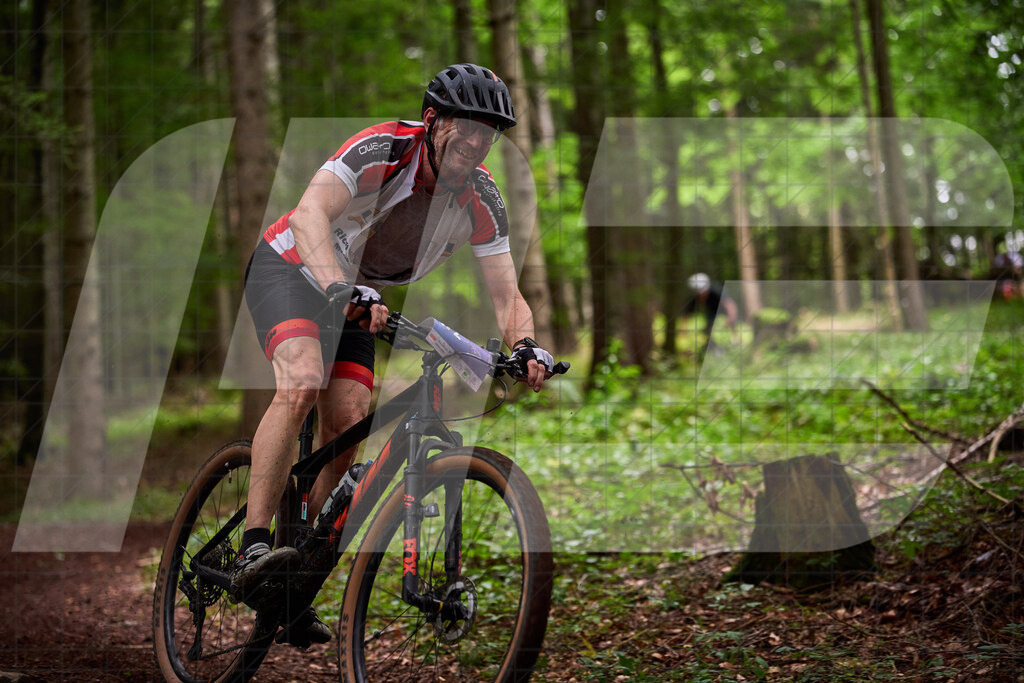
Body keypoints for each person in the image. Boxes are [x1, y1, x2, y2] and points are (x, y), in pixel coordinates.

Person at [234, 64, 556, 644]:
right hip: (292, 267)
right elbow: (310, 214)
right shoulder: (382, 149)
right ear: (434, 122)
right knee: (303, 381)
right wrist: (338, 286)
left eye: (489, 133)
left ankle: (293, 571)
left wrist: (527, 345)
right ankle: (254, 545)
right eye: (468, 127)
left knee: (350, 427)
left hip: (360, 296)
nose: (478, 141)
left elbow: (508, 295)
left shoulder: (483, 196)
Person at [682, 273, 738, 352]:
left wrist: (731, 318)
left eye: (702, 292)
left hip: (724, 316)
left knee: (728, 336)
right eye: (698, 293)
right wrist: (684, 331)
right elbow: (686, 314)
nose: (701, 296)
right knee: (708, 331)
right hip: (711, 317)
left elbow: (730, 305)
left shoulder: (717, 291)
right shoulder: (695, 297)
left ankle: (734, 344)